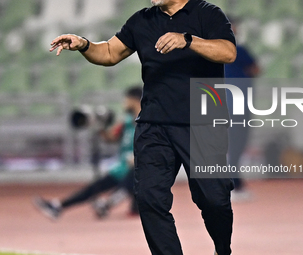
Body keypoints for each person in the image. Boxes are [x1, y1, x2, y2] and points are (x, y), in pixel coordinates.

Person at [48, 0, 237, 254]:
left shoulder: (208, 14)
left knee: (214, 200)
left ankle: (222, 249)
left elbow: (228, 52)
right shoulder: (142, 20)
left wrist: (188, 40)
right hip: (154, 125)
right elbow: (109, 53)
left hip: (203, 123)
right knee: (149, 199)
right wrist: (84, 44)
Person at [33, 86, 142, 220]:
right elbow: (111, 137)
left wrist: (138, 157)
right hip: (124, 168)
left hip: (140, 169)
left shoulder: (146, 121)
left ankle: (108, 203)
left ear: (134, 100)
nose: (124, 102)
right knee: (95, 188)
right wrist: (99, 126)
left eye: (126, 99)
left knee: (136, 175)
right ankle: (58, 206)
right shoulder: (126, 121)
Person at [224, 17, 261, 202]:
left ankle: (234, 182)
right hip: (235, 105)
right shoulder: (238, 51)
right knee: (235, 145)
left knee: (234, 146)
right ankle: (232, 184)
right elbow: (255, 69)